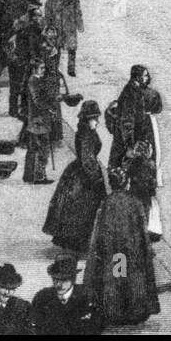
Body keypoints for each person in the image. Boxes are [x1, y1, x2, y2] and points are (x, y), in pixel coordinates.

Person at [84, 167, 161, 326]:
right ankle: (134, 311)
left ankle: (115, 311)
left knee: (115, 279)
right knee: (132, 280)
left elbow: (99, 230)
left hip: (113, 251)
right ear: (126, 183)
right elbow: (142, 229)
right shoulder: (135, 202)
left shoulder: (106, 202)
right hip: (132, 250)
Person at [44, 100, 107, 252]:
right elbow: (87, 159)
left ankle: (71, 240)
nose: (97, 122)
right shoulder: (87, 135)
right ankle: (77, 243)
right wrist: (96, 178)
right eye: (94, 118)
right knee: (83, 208)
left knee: (75, 209)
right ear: (88, 119)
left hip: (78, 172)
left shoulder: (86, 131)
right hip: (85, 176)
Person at [23, 57, 77, 184]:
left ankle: (29, 175)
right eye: (41, 68)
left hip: (36, 120)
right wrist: (50, 109)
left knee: (33, 148)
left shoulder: (35, 80)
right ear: (34, 69)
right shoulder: (34, 81)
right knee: (43, 149)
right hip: (39, 120)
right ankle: (39, 177)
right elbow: (38, 101)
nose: (44, 70)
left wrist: (56, 98)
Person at [31, 254, 103, 335]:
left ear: (73, 279)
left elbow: (97, 326)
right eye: (56, 279)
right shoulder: (42, 297)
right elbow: (35, 327)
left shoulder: (87, 296)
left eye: (64, 280)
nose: (59, 285)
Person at [109, 64, 163, 169]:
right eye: (145, 75)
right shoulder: (132, 93)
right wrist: (129, 144)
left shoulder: (134, 90)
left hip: (131, 136)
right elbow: (127, 121)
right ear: (138, 78)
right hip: (131, 139)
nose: (148, 78)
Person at [43, 0, 85, 77]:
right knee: (56, 48)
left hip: (70, 28)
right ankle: (55, 68)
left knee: (72, 49)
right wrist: (49, 25)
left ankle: (71, 70)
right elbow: (47, 12)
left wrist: (80, 25)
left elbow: (78, 12)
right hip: (57, 29)